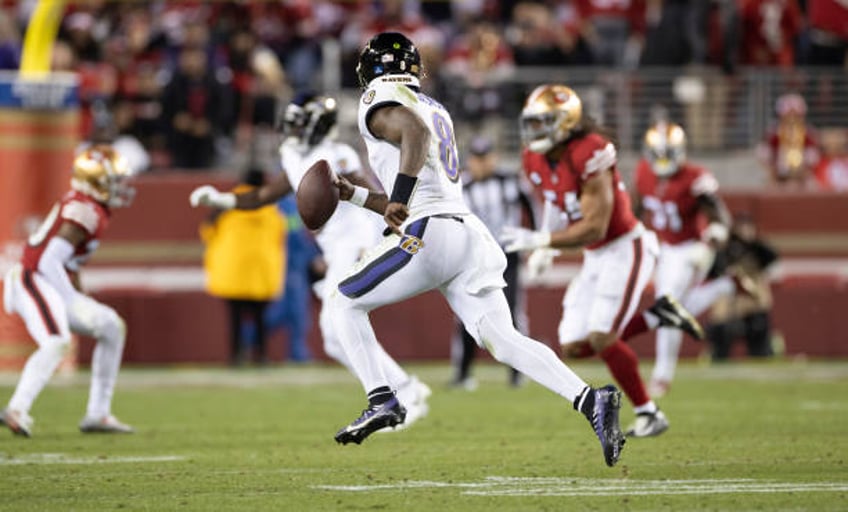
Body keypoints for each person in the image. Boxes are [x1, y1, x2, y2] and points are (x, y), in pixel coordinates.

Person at [327, 32, 626, 468]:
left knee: (342, 301)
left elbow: (411, 150)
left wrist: (398, 197)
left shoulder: (380, 97)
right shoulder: (433, 106)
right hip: (466, 232)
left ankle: (382, 398)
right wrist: (354, 194)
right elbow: (405, 197)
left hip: (431, 233)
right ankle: (590, 399)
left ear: (370, 70)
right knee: (503, 341)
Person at [189, 92, 432, 427]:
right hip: (335, 248)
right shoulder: (293, 156)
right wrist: (222, 200)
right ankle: (404, 389)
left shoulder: (337, 155)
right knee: (334, 340)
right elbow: (262, 196)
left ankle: (403, 391)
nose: (292, 132)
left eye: (300, 125)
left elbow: (374, 196)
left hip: (356, 241)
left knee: (338, 324)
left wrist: (377, 237)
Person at [500, 84, 703, 439]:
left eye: (542, 122)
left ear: (565, 122)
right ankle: (659, 315)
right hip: (595, 256)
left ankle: (649, 412)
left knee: (602, 336)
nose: (533, 131)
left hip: (626, 246)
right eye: (531, 122)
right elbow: (552, 197)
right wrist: (545, 245)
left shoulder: (590, 151)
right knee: (575, 345)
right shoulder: (533, 158)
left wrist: (543, 240)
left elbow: (594, 227)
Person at [1, 145, 136, 437]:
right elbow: (50, 260)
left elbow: (68, 264)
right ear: (95, 181)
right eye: (114, 180)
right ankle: (16, 409)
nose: (120, 187)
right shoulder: (85, 210)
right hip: (32, 279)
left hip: (49, 282)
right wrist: (73, 298)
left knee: (111, 326)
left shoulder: (92, 207)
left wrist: (78, 294)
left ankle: (98, 414)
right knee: (56, 342)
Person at [631, 121, 732, 398]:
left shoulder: (695, 176)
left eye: (667, 153)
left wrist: (712, 237)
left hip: (692, 249)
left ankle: (662, 376)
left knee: (668, 304)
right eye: (658, 153)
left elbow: (720, 215)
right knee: (677, 307)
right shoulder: (643, 173)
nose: (662, 160)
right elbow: (636, 210)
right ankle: (722, 288)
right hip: (666, 250)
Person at [451, 136, 535, 390]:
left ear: (494, 158)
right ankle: (463, 373)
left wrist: (534, 241)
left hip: (507, 254)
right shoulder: (461, 186)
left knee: (511, 311)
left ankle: (518, 372)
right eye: (477, 159)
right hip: (474, 257)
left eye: (485, 158)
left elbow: (533, 210)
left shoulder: (510, 181)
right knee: (468, 313)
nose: (482, 164)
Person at [199, 168, 286, 366]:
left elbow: (207, 232)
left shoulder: (226, 204)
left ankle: (236, 356)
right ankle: (262, 356)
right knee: (260, 319)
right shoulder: (271, 208)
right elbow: (279, 237)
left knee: (235, 319)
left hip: (232, 271)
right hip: (262, 271)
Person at [705, 214, 779, 361]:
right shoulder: (725, 252)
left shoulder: (757, 250)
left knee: (760, 337)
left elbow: (772, 256)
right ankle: (717, 355)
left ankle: (763, 352)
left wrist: (751, 242)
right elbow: (712, 271)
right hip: (728, 310)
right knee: (720, 336)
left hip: (753, 307)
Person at [756, 93, 821, 189]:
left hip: (801, 177)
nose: (792, 118)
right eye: (789, 115)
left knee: (812, 186)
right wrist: (773, 171)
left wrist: (803, 172)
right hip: (778, 177)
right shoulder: (773, 133)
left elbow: (813, 157)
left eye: (796, 115)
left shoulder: (808, 133)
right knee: (769, 188)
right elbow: (763, 154)